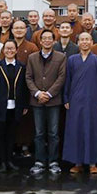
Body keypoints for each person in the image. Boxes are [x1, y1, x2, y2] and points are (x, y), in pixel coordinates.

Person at [63, 32, 97, 175]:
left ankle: (92, 163)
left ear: (91, 42)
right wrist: (66, 98)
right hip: (75, 101)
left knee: (92, 131)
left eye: (87, 39)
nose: (84, 42)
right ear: (78, 43)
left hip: (92, 100)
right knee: (75, 131)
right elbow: (67, 81)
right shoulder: (71, 60)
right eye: (82, 39)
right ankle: (77, 163)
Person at [26, 29, 66, 175]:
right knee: (39, 133)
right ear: (40, 41)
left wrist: (49, 93)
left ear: (54, 41)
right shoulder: (32, 57)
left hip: (53, 100)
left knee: (53, 133)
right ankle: (39, 161)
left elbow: (61, 78)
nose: (47, 40)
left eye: (50, 38)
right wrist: (37, 93)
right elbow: (28, 77)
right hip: (37, 101)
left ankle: (54, 161)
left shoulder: (61, 57)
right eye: (45, 38)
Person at [0, 39, 29, 173]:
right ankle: (2, 162)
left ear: (16, 50)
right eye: (7, 49)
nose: (9, 51)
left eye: (12, 49)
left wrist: (24, 105)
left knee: (11, 135)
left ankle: (10, 160)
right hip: (0, 107)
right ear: (3, 51)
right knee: (1, 135)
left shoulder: (21, 67)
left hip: (15, 107)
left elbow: (24, 88)